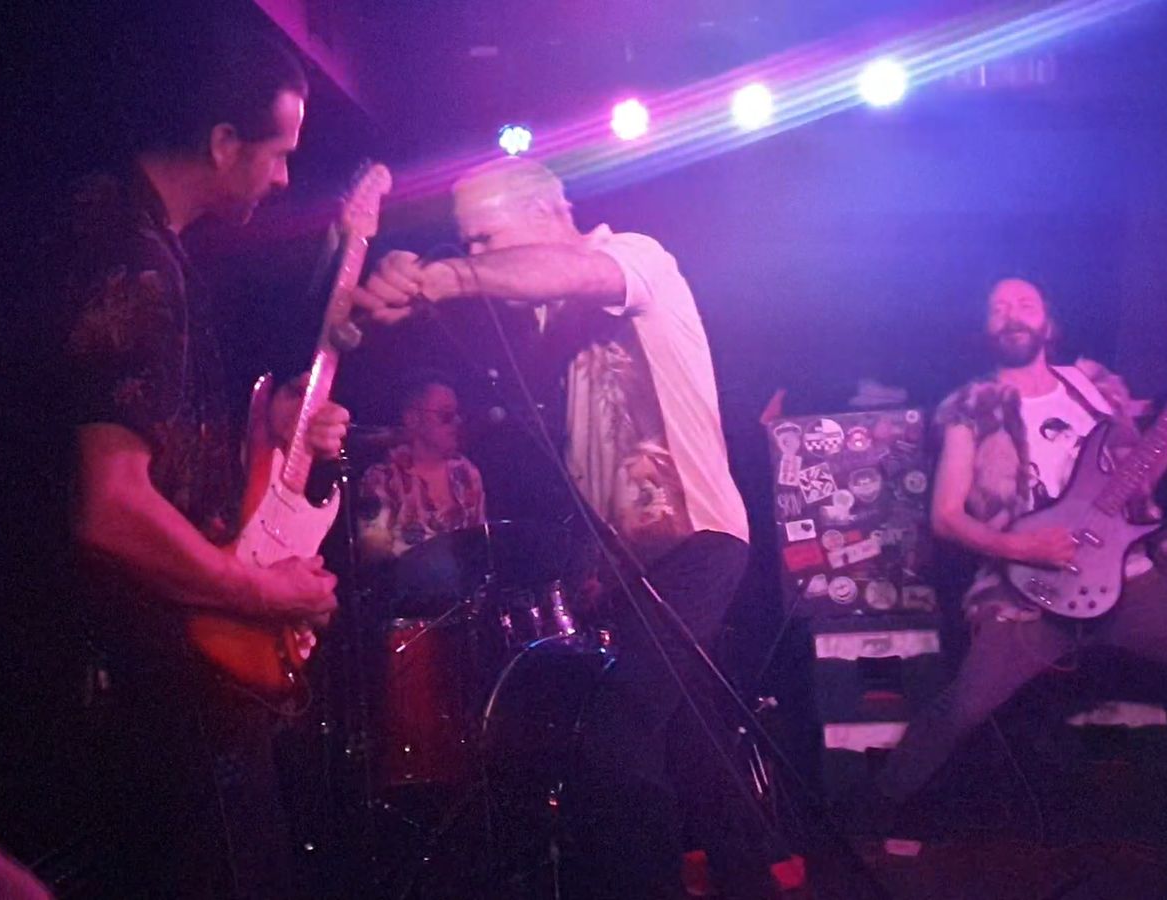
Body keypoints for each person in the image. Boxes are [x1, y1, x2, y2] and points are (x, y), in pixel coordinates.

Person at [352, 157, 779, 898]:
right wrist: (403, 283)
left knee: (614, 739)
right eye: (467, 243)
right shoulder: (541, 326)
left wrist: (444, 276)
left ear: (546, 212)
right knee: (695, 749)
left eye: (485, 238)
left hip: (694, 542)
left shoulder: (635, 256)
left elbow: (570, 271)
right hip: (632, 568)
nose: (476, 254)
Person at [53, 35, 348, 897]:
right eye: (279, 153)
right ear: (224, 143)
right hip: (163, 685)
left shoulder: (140, 238)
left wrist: (270, 432)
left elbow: (161, 457)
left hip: (160, 678)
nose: (285, 178)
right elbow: (111, 507)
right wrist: (263, 593)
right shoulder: (132, 259)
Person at [873, 277, 1167, 825]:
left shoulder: (1092, 389)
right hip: (1028, 589)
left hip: (1131, 577)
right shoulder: (971, 408)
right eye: (998, 308)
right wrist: (1022, 546)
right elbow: (945, 518)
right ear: (986, 328)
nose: (1012, 315)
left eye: (1025, 304)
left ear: (1048, 322)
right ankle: (871, 815)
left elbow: (1140, 481)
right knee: (962, 708)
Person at [357, 370, 486, 563]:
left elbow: (480, 543)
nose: (457, 421)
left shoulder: (467, 473)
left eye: (457, 414)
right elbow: (374, 553)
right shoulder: (383, 477)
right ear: (412, 419)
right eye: (446, 415)